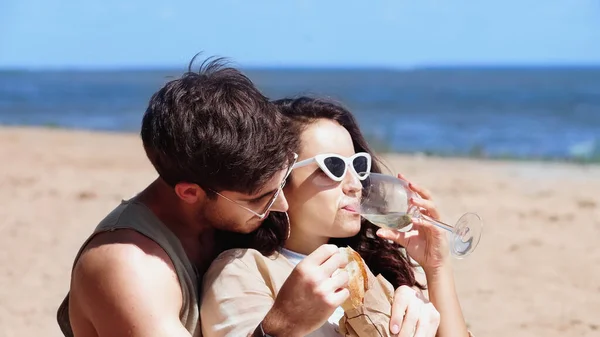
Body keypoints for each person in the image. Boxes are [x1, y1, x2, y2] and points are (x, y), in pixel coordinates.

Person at [55, 57, 300, 337]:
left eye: (285, 180)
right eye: (260, 199)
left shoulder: (217, 213)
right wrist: (282, 325)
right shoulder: (128, 266)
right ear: (189, 192)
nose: (282, 204)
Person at [201, 97, 472, 337]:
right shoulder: (243, 269)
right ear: (277, 179)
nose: (355, 184)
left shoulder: (369, 270)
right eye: (332, 167)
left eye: (358, 165)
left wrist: (436, 268)